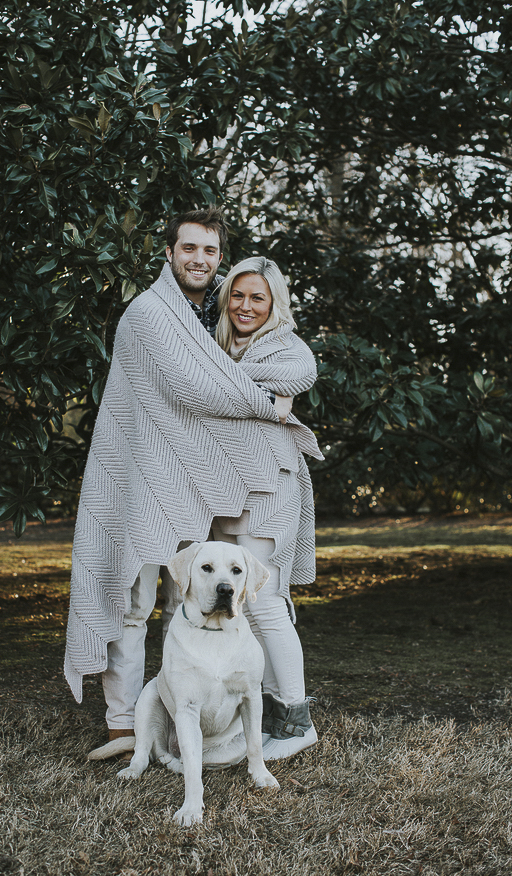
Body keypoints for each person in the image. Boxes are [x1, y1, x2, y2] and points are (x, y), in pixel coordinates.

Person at [64, 208, 323, 761]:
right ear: (168, 253)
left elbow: (276, 371)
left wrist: (266, 396)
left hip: (193, 489)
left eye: (209, 251)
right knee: (134, 604)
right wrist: (269, 406)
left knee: (198, 602)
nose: (198, 260)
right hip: (144, 482)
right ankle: (124, 726)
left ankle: (224, 716)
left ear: (219, 259)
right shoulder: (152, 315)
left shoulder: (209, 327)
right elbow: (190, 387)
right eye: (189, 249)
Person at [211, 256, 324, 759]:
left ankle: (297, 722)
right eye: (237, 295)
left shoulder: (284, 347)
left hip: (270, 488)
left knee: (266, 603)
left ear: (274, 302)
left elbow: (302, 375)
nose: (245, 306)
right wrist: (260, 399)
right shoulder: (217, 347)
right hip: (228, 489)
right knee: (239, 607)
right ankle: (259, 714)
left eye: (258, 297)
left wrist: (237, 389)